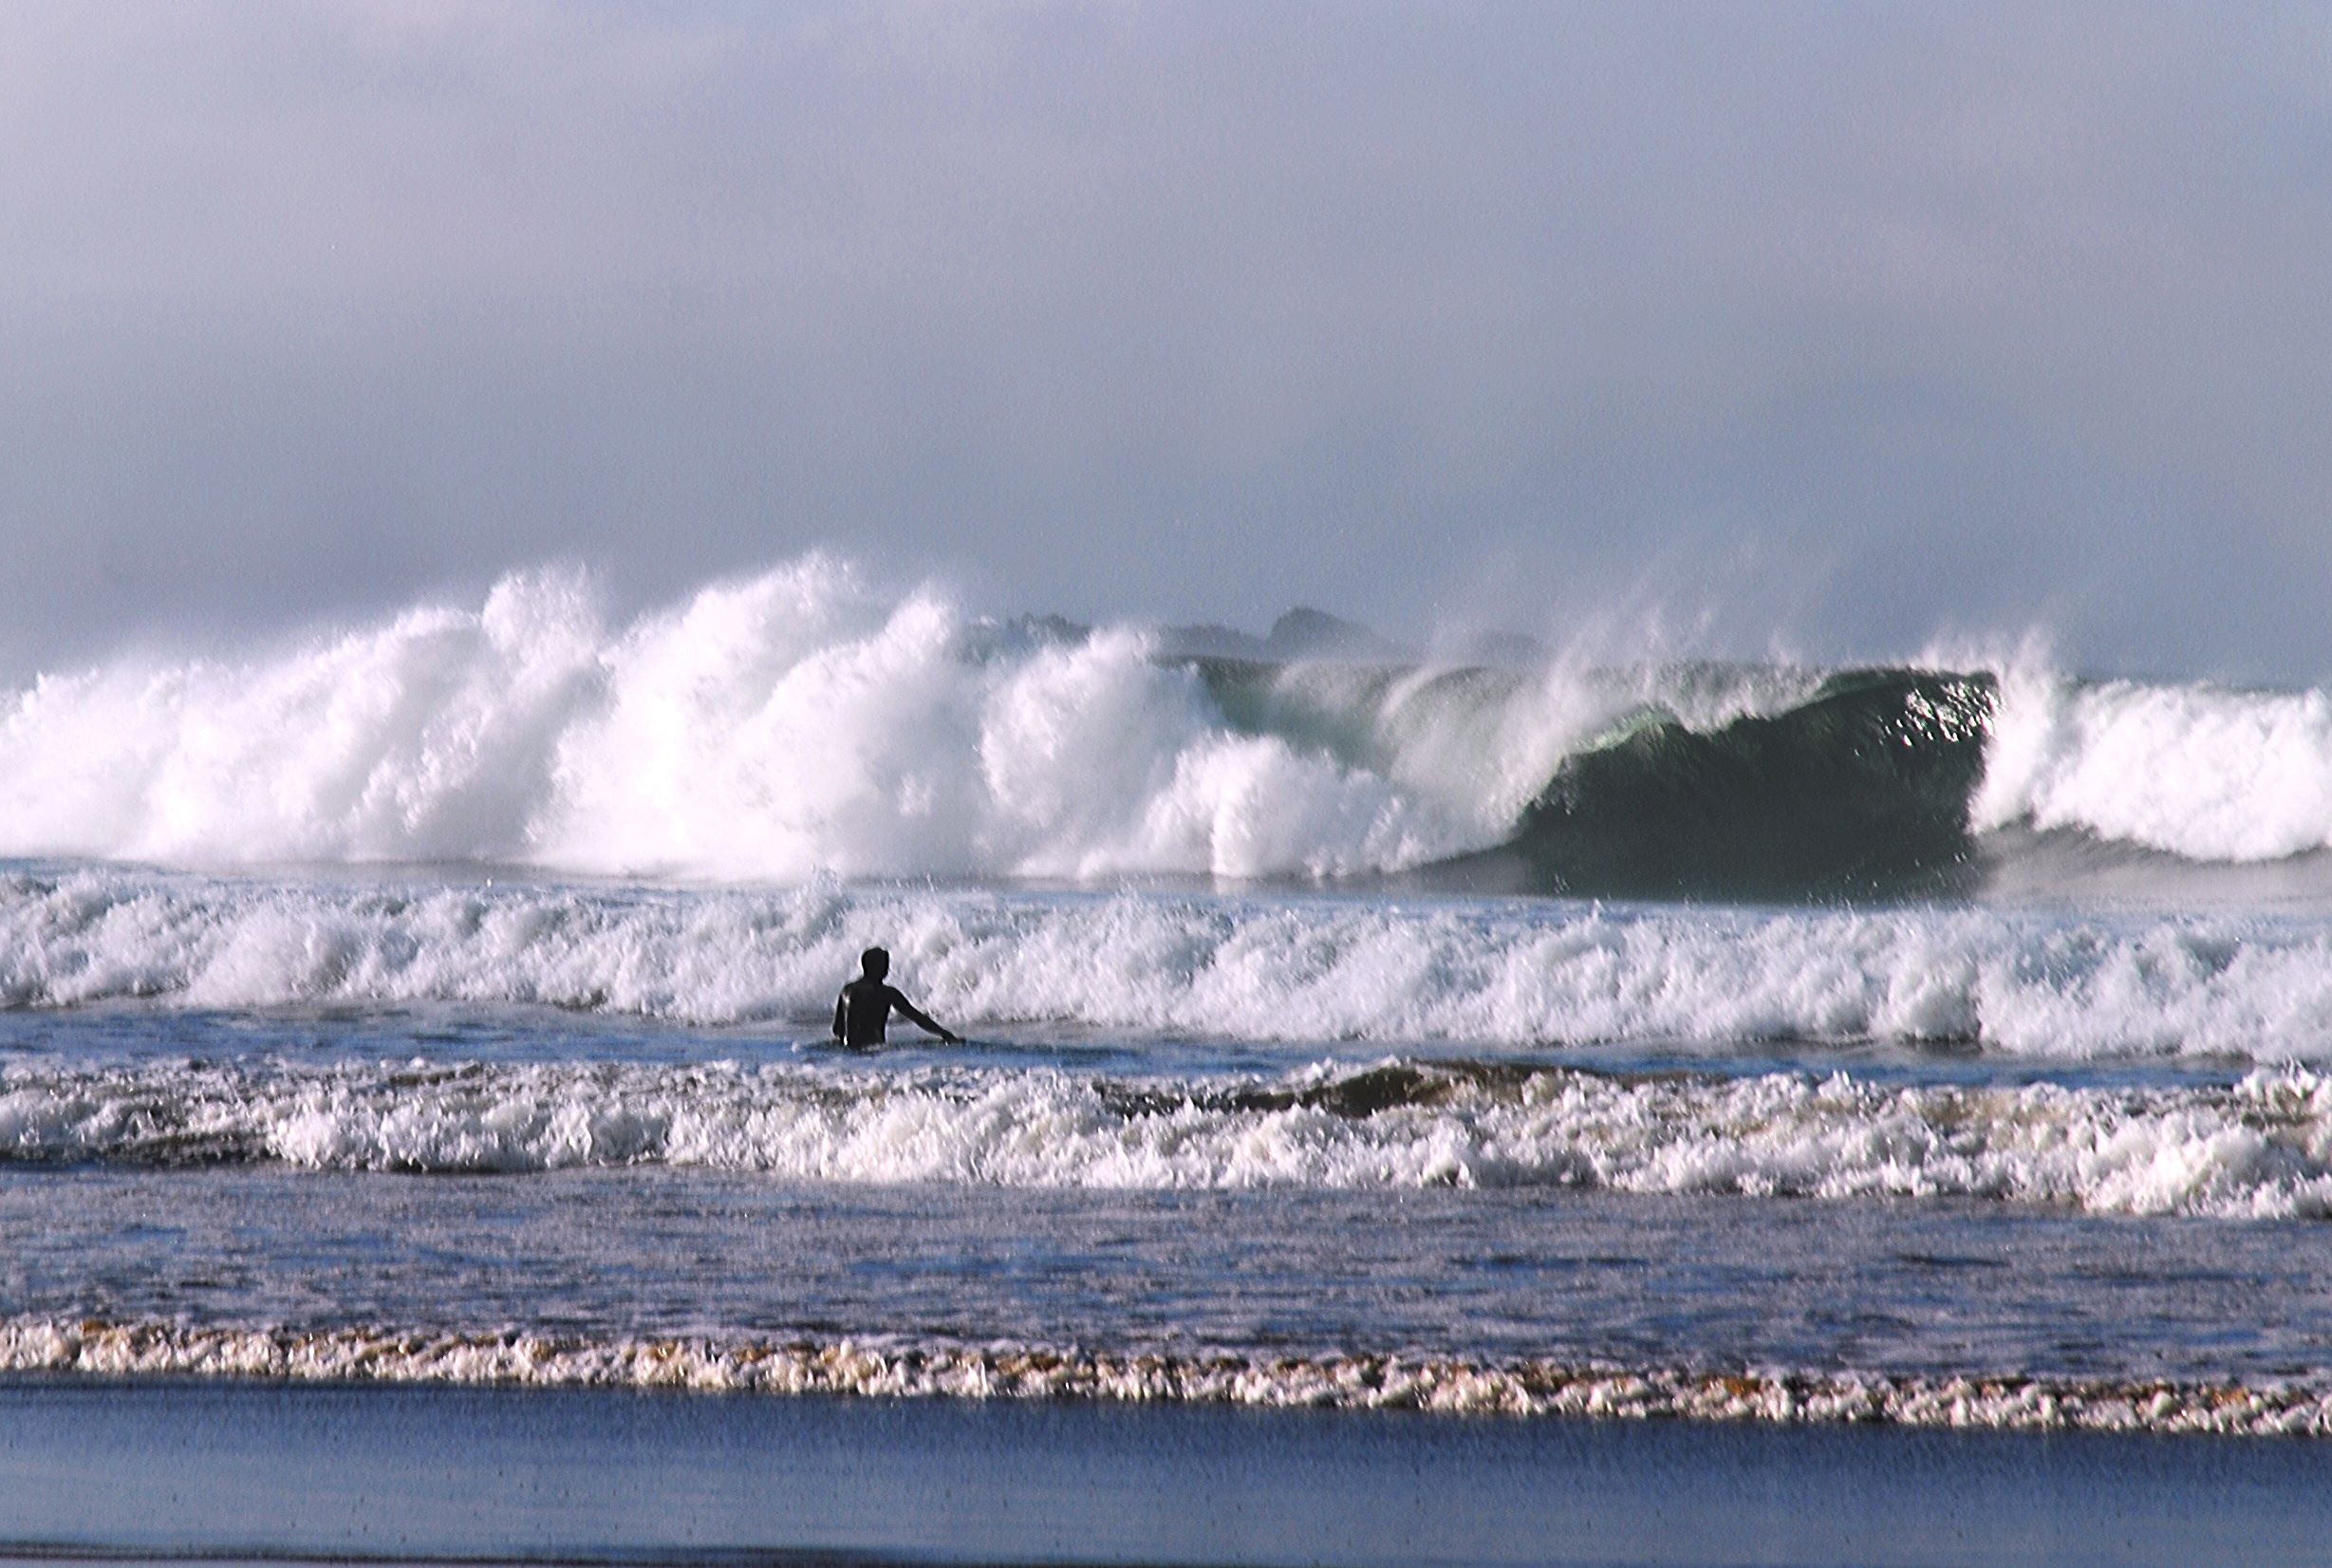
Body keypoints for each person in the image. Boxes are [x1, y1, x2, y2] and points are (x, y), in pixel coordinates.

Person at [831, 946, 961, 1048]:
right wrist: (944, 1033)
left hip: (849, 1050)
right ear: (877, 967)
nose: (887, 968)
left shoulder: (847, 990)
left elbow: (837, 1029)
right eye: (885, 964)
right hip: (873, 1050)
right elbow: (917, 1017)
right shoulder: (886, 993)